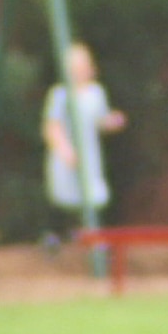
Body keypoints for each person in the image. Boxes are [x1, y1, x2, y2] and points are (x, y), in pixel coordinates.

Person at [42, 43, 126, 247]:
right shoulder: (60, 95)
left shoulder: (96, 93)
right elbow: (52, 126)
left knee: (91, 195)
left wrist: (112, 121)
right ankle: (56, 238)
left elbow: (99, 120)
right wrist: (64, 149)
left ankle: (91, 236)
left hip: (89, 155)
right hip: (68, 155)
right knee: (67, 196)